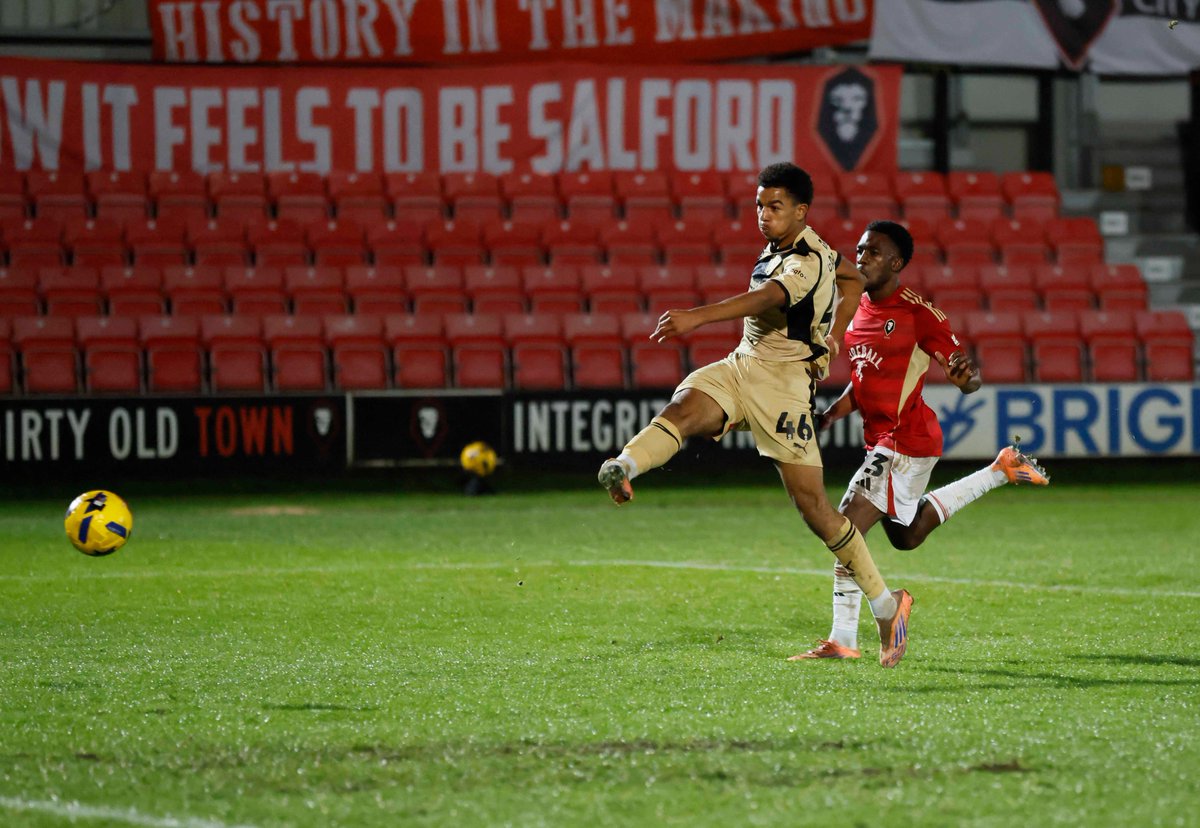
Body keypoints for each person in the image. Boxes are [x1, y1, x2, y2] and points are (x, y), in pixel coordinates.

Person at [596, 163, 914, 669]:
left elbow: (770, 297)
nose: (764, 215)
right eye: (760, 205)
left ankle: (885, 605)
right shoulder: (791, 249)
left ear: (801, 211)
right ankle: (625, 466)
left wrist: (697, 317)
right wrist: (836, 329)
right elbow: (850, 276)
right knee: (684, 408)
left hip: (783, 387)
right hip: (741, 364)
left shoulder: (806, 258)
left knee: (815, 510)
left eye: (775, 206)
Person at [790, 220, 1049, 661]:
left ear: (897, 263)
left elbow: (965, 375)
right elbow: (864, 376)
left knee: (845, 525)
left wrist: (966, 380)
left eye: (874, 252)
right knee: (906, 536)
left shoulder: (919, 314)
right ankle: (998, 470)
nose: (862, 258)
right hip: (886, 442)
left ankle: (845, 637)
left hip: (904, 440)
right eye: (860, 250)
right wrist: (832, 413)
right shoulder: (853, 309)